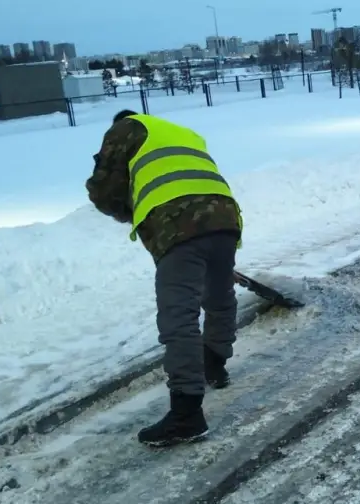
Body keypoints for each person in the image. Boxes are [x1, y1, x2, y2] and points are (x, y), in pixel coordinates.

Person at [86, 110, 243, 447]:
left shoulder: (125, 128)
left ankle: (186, 414)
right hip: (226, 215)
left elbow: (103, 190)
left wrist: (133, 212)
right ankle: (213, 364)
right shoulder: (180, 131)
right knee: (219, 294)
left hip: (177, 224)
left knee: (178, 315)